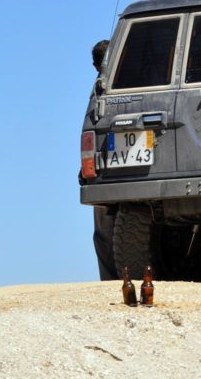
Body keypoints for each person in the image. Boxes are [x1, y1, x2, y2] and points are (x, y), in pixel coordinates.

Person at [90, 39, 118, 281]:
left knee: (104, 233)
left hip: (108, 170)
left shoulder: (100, 91)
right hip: (111, 167)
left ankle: (111, 283)